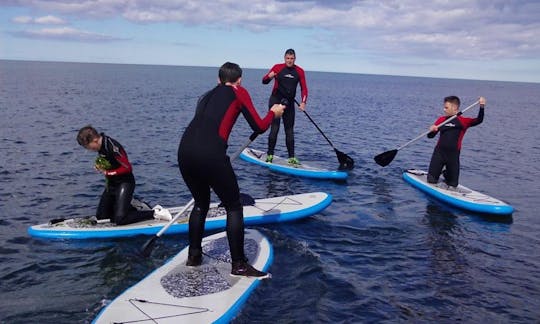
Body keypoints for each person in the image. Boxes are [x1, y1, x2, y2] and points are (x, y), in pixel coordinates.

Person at [177, 62, 285, 278]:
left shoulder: (205, 96)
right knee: (234, 206)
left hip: (184, 152)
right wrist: (274, 113)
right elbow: (259, 126)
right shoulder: (238, 92)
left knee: (200, 203)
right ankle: (239, 265)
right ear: (239, 80)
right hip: (211, 154)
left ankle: (194, 256)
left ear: (218, 80)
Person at [77, 125, 156, 225]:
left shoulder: (112, 146)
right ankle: (129, 208)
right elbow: (112, 163)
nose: (89, 149)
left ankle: (153, 213)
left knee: (120, 219)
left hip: (125, 182)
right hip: (112, 183)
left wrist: (108, 172)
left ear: (95, 140)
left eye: (88, 146)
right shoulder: (100, 147)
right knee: (102, 217)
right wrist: (101, 166)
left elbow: (127, 168)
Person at [426, 96, 485, 188]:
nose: (444, 109)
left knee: (453, 185)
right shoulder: (441, 120)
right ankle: (440, 172)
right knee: (431, 180)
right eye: (444, 107)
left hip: (453, 156)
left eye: (446, 107)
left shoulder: (463, 121)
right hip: (439, 153)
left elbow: (479, 120)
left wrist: (482, 106)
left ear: (454, 108)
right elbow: (430, 136)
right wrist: (432, 130)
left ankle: (446, 173)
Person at [262, 48, 308, 165]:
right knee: (275, 129)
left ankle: (291, 158)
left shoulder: (299, 71)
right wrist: (270, 76)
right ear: (284, 58)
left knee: (289, 131)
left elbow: (304, 88)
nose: (289, 61)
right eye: (287, 58)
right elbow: (264, 81)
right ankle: (270, 155)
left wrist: (303, 102)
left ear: (295, 59)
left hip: (289, 104)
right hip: (276, 102)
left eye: (292, 59)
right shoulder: (277, 67)